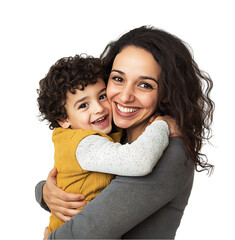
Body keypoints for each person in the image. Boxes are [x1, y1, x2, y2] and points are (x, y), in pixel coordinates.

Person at [36, 26, 214, 239]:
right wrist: (44, 192)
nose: (125, 96)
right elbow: (80, 180)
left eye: (145, 85)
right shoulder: (115, 134)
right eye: (118, 79)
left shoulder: (169, 153)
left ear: (167, 93)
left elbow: (86, 231)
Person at [37, 54, 175, 233]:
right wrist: (162, 124)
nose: (99, 108)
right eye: (83, 106)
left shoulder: (97, 132)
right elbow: (138, 161)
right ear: (63, 119)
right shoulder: (85, 144)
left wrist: (41, 191)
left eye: (102, 96)